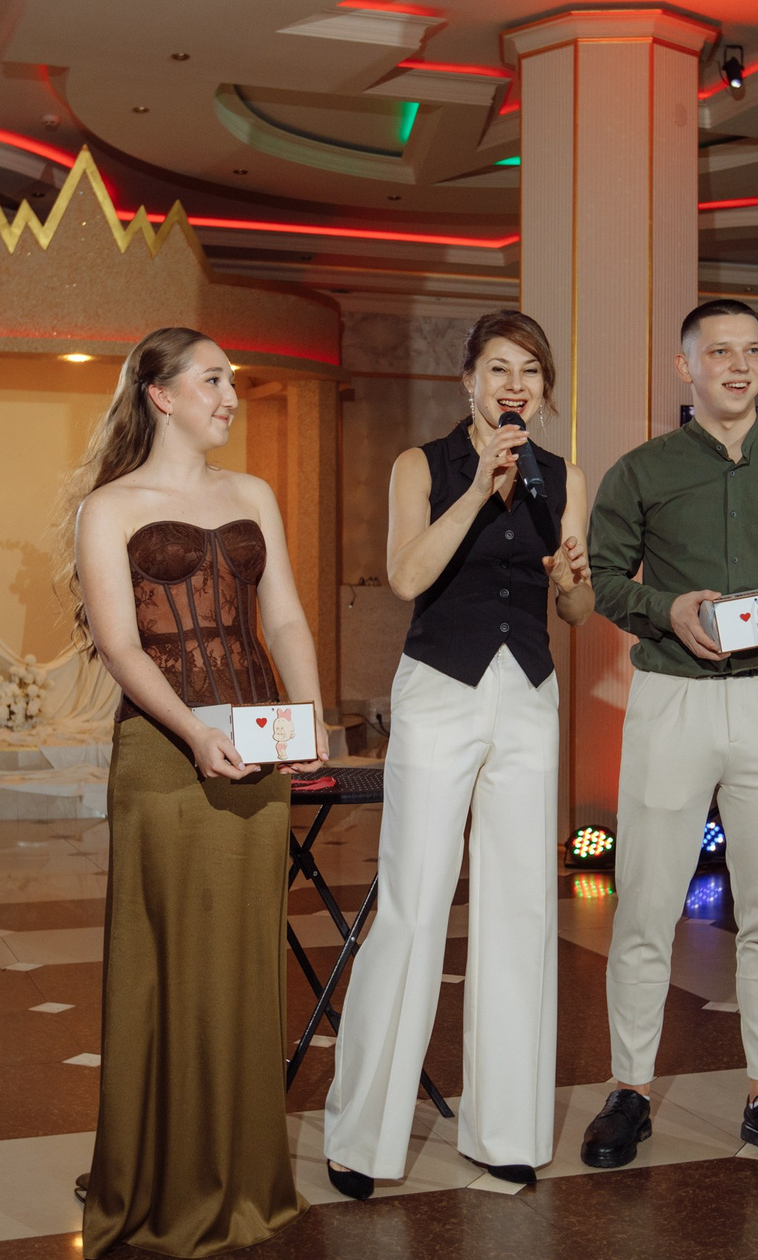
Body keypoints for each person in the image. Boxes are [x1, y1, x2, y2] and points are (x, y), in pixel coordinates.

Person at [582, 298, 758, 1175]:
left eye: (751, 350)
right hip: (672, 698)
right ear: (687, 367)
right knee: (645, 908)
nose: (738, 366)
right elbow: (604, 579)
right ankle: (629, 1091)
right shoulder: (642, 470)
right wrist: (665, 607)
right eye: (719, 352)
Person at [66, 326, 327, 1259]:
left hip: (256, 748)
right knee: (168, 962)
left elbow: (284, 616)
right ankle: (164, 1184)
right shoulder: (109, 507)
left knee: (246, 964)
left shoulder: (252, 494)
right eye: (213, 380)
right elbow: (120, 646)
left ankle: (246, 1178)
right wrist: (193, 732)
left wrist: (308, 716)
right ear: (161, 394)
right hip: (165, 752)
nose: (230, 397)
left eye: (232, 381)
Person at [323, 310, 593, 1198]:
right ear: (469, 381)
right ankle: (362, 1137)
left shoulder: (563, 476)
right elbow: (406, 576)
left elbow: (576, 609)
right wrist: (479, 489)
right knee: (414, 901)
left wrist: (575, 581)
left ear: (544, 391)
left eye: (531, 372)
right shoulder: (424, 465)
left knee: (520, 905)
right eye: (499, 368)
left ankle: (505, 1128)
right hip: (440, 689)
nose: (515, 385)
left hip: (530, 696)